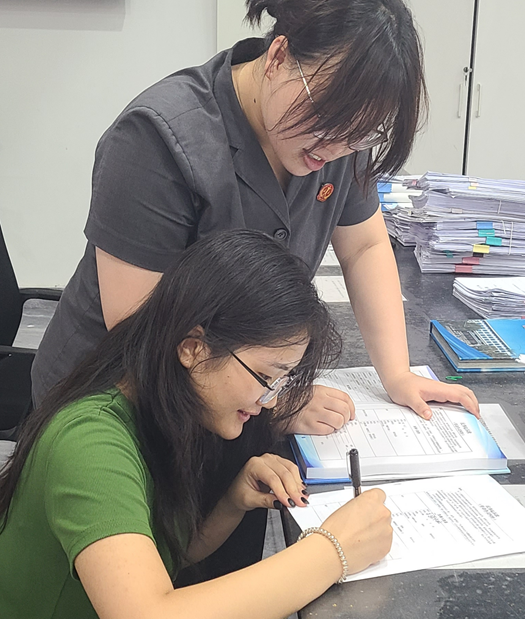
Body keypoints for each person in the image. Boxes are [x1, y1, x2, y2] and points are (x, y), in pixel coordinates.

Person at [31, 0, 480, 434]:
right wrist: (276, 399)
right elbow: (140, 326)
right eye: (324, 118)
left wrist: (397, 374)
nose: (334, 149)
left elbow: (364, 246)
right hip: (114, 402)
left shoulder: (340, 136)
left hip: (234, 402)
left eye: (360, 135)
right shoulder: (157, 138)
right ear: (278, 57)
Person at [0, 231, 393, 619]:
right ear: (193, 348)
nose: (271, 401)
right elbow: (148, 617)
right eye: (264, 377)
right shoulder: (89, 444)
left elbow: (165, 555)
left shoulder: (165, 406)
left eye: (280, 382)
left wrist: (231, 503)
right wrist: (331, 551)